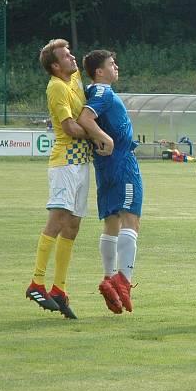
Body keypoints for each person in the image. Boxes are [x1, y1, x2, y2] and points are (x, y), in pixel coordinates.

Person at [25, 39, 93, 319]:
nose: (72, 57)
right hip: (65, 162)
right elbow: (69, 127)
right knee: (57, 220)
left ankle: (59, 289)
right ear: (55, 66)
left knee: (73, 226)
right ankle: (36, 282)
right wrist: (99, 136)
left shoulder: (74, 75)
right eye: (66, 55)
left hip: (81, 164)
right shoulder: (56, 87)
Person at [78, 50, 143, 315]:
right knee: (131, 219)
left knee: (111, 222)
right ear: (99, 72)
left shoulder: (96, 92)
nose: (116, 67)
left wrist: (101, 138)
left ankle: (109, 276)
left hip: (105, 167)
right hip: (121, 164)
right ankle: (123, 281)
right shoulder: (103, 92)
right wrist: (108, 138)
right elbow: (85, 118)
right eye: (111, 64)